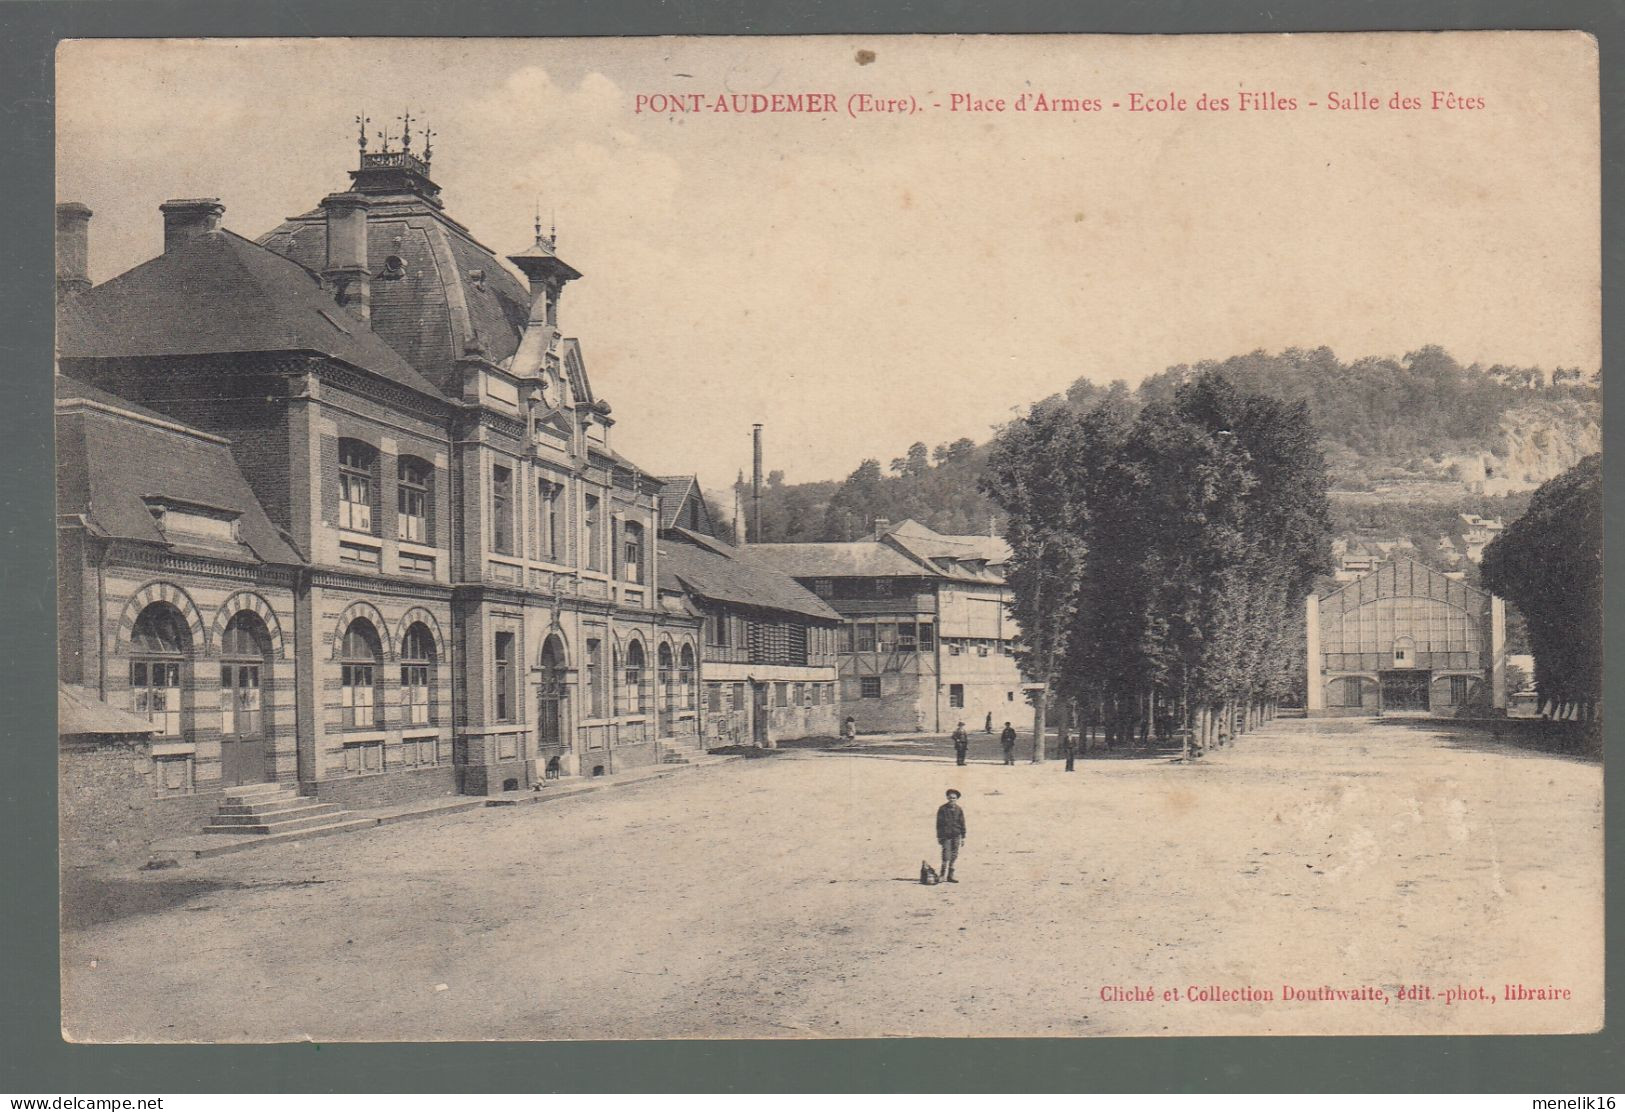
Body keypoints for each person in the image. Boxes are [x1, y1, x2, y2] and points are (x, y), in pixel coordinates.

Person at [936, 789, 967, 883]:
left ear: (957, 799)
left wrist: (963, 837)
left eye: (954, 798)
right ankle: (942, 875)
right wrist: (939, 836)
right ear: (947, 798)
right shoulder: (942, 809)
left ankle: (950, 876)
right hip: (946, 836)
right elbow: (939, 824)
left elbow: (962, 823)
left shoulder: (959, 809)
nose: (952, 799)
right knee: (946, 855)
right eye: (950, 797)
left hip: (957, 835)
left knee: (954, 855)